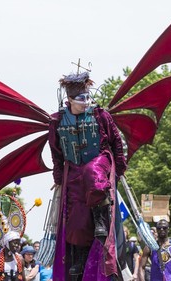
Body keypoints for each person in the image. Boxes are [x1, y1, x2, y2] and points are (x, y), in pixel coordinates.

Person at [49, 71, 127, 280]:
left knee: (91, 174)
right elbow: (56, 153)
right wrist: (58, 179)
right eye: (81, 99)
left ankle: (101, 220)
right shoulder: (56, 121)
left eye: (88, 97)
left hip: (100, 161)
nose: (86, 102)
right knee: (75, 220)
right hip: (73, 169)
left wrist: (118, 170)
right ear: (69, 101)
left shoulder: (101, 115)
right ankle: (79, 259)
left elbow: (116, 142)